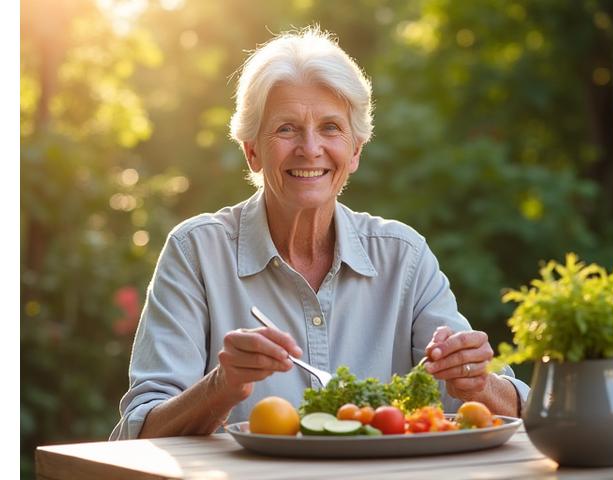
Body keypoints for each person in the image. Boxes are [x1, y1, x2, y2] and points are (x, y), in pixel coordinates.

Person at [110, 26, 529, 440]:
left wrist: (475, 380)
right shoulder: (197, 252)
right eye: (286, 128)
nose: (310, 148)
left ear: (356, 151)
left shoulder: (404, 257)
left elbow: (517, 410)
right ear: (252, 151)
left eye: (330, 127)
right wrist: (223, 385)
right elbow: (141, 434)